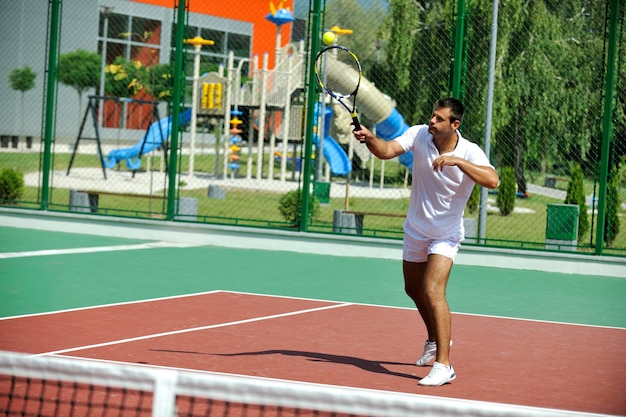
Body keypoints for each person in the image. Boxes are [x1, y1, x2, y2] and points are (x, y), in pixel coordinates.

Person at [352, 97, 499, 386]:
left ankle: (444, 365)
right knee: (413, 289)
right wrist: (370, 138)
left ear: (454, 125)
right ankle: (434, 339)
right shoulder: (419, 133)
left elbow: (492, 180)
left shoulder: (470, 151)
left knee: (433, 290)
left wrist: (457, 160)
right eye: (432, 115)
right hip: (416, 230)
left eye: (439, 119)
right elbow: (386, 151)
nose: (432, 121)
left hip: (446, 234)